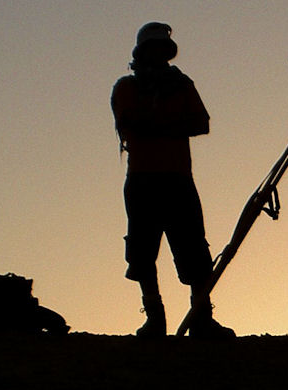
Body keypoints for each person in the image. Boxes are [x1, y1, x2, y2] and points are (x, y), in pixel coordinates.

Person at [111, 22, 234, 339]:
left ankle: (201, 319)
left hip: (178, 180)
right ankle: (155, 319)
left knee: (194, 251)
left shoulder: (182, 84)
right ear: (143, 52)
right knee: (142, 252)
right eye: (153, 48)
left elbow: (202, 123)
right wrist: (171, 123)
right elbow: (129, 122)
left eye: (162, 48)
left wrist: (155, 123)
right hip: (143, 180)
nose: (158, 54)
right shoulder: (126, 87)